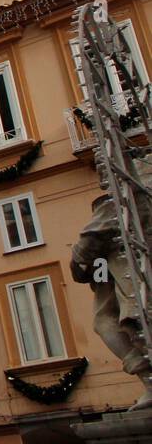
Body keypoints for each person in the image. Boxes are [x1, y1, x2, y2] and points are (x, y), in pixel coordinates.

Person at [71, 164, 152, 410]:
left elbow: (88, 245)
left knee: (108, 321)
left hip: (131, 279)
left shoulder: (123, 194)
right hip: (118, 274)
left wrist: (78, 262)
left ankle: (148, 379)